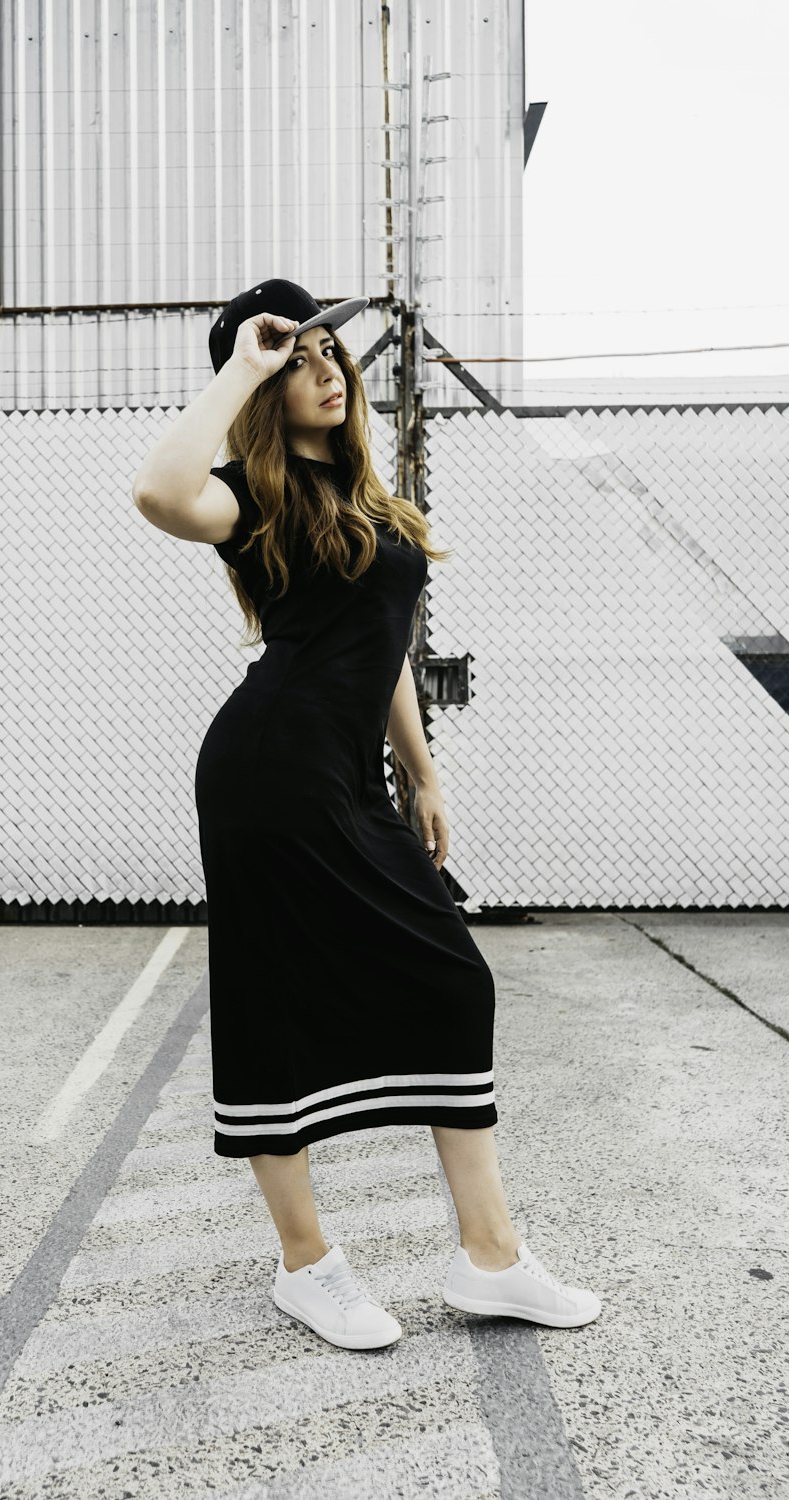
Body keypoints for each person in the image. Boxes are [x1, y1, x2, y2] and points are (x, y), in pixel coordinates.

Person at [132, 278, 601, 1351]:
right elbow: (157, 493)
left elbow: (379, 645)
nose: (322, 368)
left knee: (447, 977)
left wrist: (422, 773)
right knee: (272, 1000)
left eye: (326, 353)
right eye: (294, 359)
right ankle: (308, 1267)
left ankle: (491, 1259)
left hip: (341, 775)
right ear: (257, 382)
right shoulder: (246, 498)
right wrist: (239, 368)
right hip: (267, 774)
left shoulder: (365, 505)